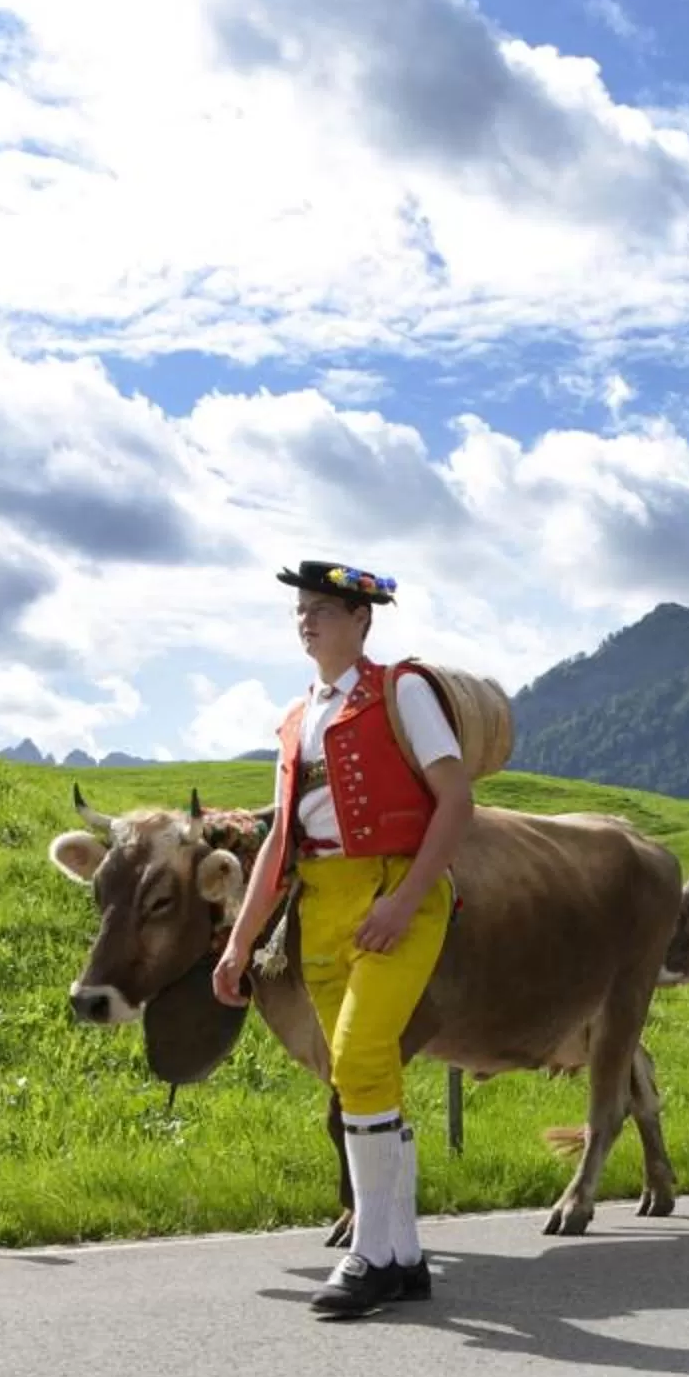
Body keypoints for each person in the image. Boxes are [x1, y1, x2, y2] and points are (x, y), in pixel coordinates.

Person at [213, 559, 474, 1319]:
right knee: (360, 1077)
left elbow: (455, 801)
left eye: (324, 608)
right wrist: (239, 943)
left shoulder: (403, 691)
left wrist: (407, 898)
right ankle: (405, 1256)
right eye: (302, 608)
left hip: (396, 892)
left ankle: (370, 1254)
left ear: (363, 620)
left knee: (361, 1056)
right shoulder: (296, 721)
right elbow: (276, 844)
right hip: (321, 904)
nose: (308, 619)